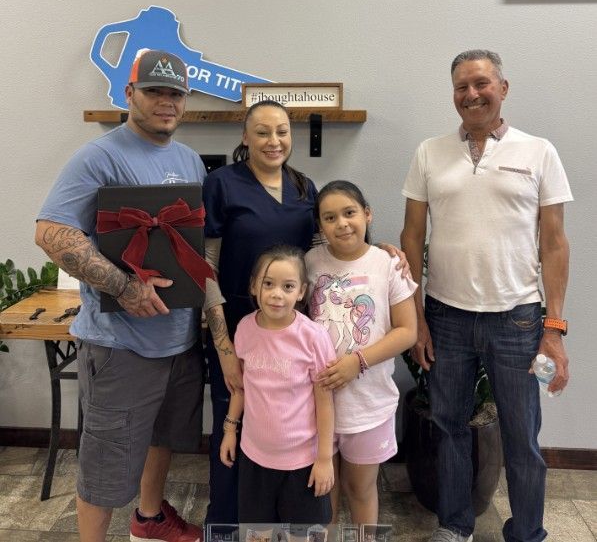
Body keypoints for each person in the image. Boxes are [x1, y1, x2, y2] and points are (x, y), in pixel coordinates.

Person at [35, 49, 232, 542]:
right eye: (154, 91)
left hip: (179, 342)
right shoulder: (99, 156)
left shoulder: (189, 160)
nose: (166, 102)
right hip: (121, 347)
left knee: (162, 438)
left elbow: (196, 248)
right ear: (129, 94)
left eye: (175, 94)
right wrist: (123, 287)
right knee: (104, 466)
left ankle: (148, 519)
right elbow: (51, 232)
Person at [202, 100, 410, 524]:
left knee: (293, 434)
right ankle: (225, 525)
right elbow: (205, 266)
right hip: (241, 332)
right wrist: (223, 348)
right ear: (245, 137)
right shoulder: (221, 184)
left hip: (295, 337)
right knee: (236, 432)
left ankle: (289, 525)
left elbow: (328, 252)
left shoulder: (304, 188)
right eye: (262, 131)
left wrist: (379, 250)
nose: (273, 140)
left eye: (282, 131)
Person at [400, 49, 573, 542]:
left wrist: (554, 329)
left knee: (522, 437)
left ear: (503, 87)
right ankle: (455, 526)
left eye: (481, 83)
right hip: (446, 317)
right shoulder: (429, 152)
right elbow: (412, 236)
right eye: (461, 87)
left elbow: (554, 244)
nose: (471, 94)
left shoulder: (539, 152)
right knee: (449, 427)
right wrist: (417, 317)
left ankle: (527, 532)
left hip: (518, 318)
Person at [306, 180, 418, 524]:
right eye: (330, 218)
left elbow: (407, 331)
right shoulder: (309, 262)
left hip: (368, 405)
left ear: (367, 214)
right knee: (322, 494)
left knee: (361, 489)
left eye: (349, 213)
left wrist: (358, 361)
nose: (341, 223)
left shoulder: (387, 264)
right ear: (320, 226)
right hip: (315, 404)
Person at [219, 245, 336, 536]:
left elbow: (325, 403)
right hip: (254, 459)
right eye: (268, 283)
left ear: (301, 291)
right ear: (253, 286)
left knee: (302, 534)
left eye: (288, 286)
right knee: (257, 532)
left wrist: (324, 459)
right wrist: (230, 429)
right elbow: (241, 387)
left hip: (302, 463)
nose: (276, 294)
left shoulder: (313, 337)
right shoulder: (245, 328)